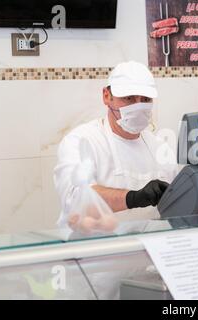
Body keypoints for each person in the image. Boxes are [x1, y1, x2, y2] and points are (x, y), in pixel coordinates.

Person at [54, 61, 178, 231]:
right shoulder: (81, 140)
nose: (138, 106)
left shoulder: (159, 146)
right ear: (107, 96)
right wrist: (134, 198)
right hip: (96, 251)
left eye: (145, 99)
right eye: (129, 98)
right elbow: (76, 199)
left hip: (149, 248)